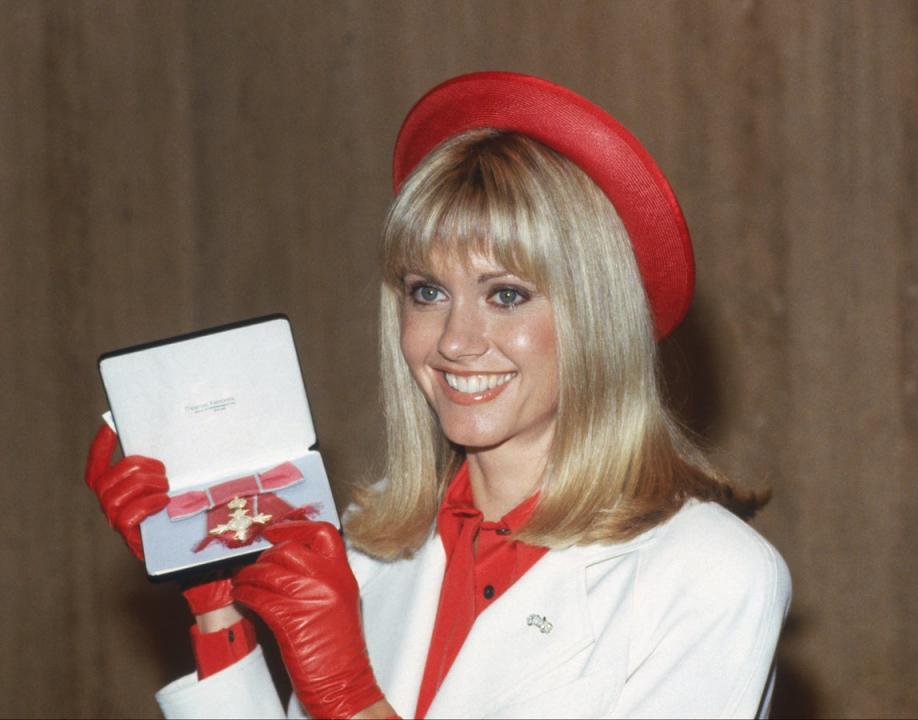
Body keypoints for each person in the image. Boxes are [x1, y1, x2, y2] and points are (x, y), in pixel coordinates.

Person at [85, 72, 791, 719]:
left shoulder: (713, 576)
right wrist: (214, 597)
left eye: (506, 295)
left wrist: (350, 697)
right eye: (428, 292)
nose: (455, 340)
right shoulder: (367, 544)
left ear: (597, 319)